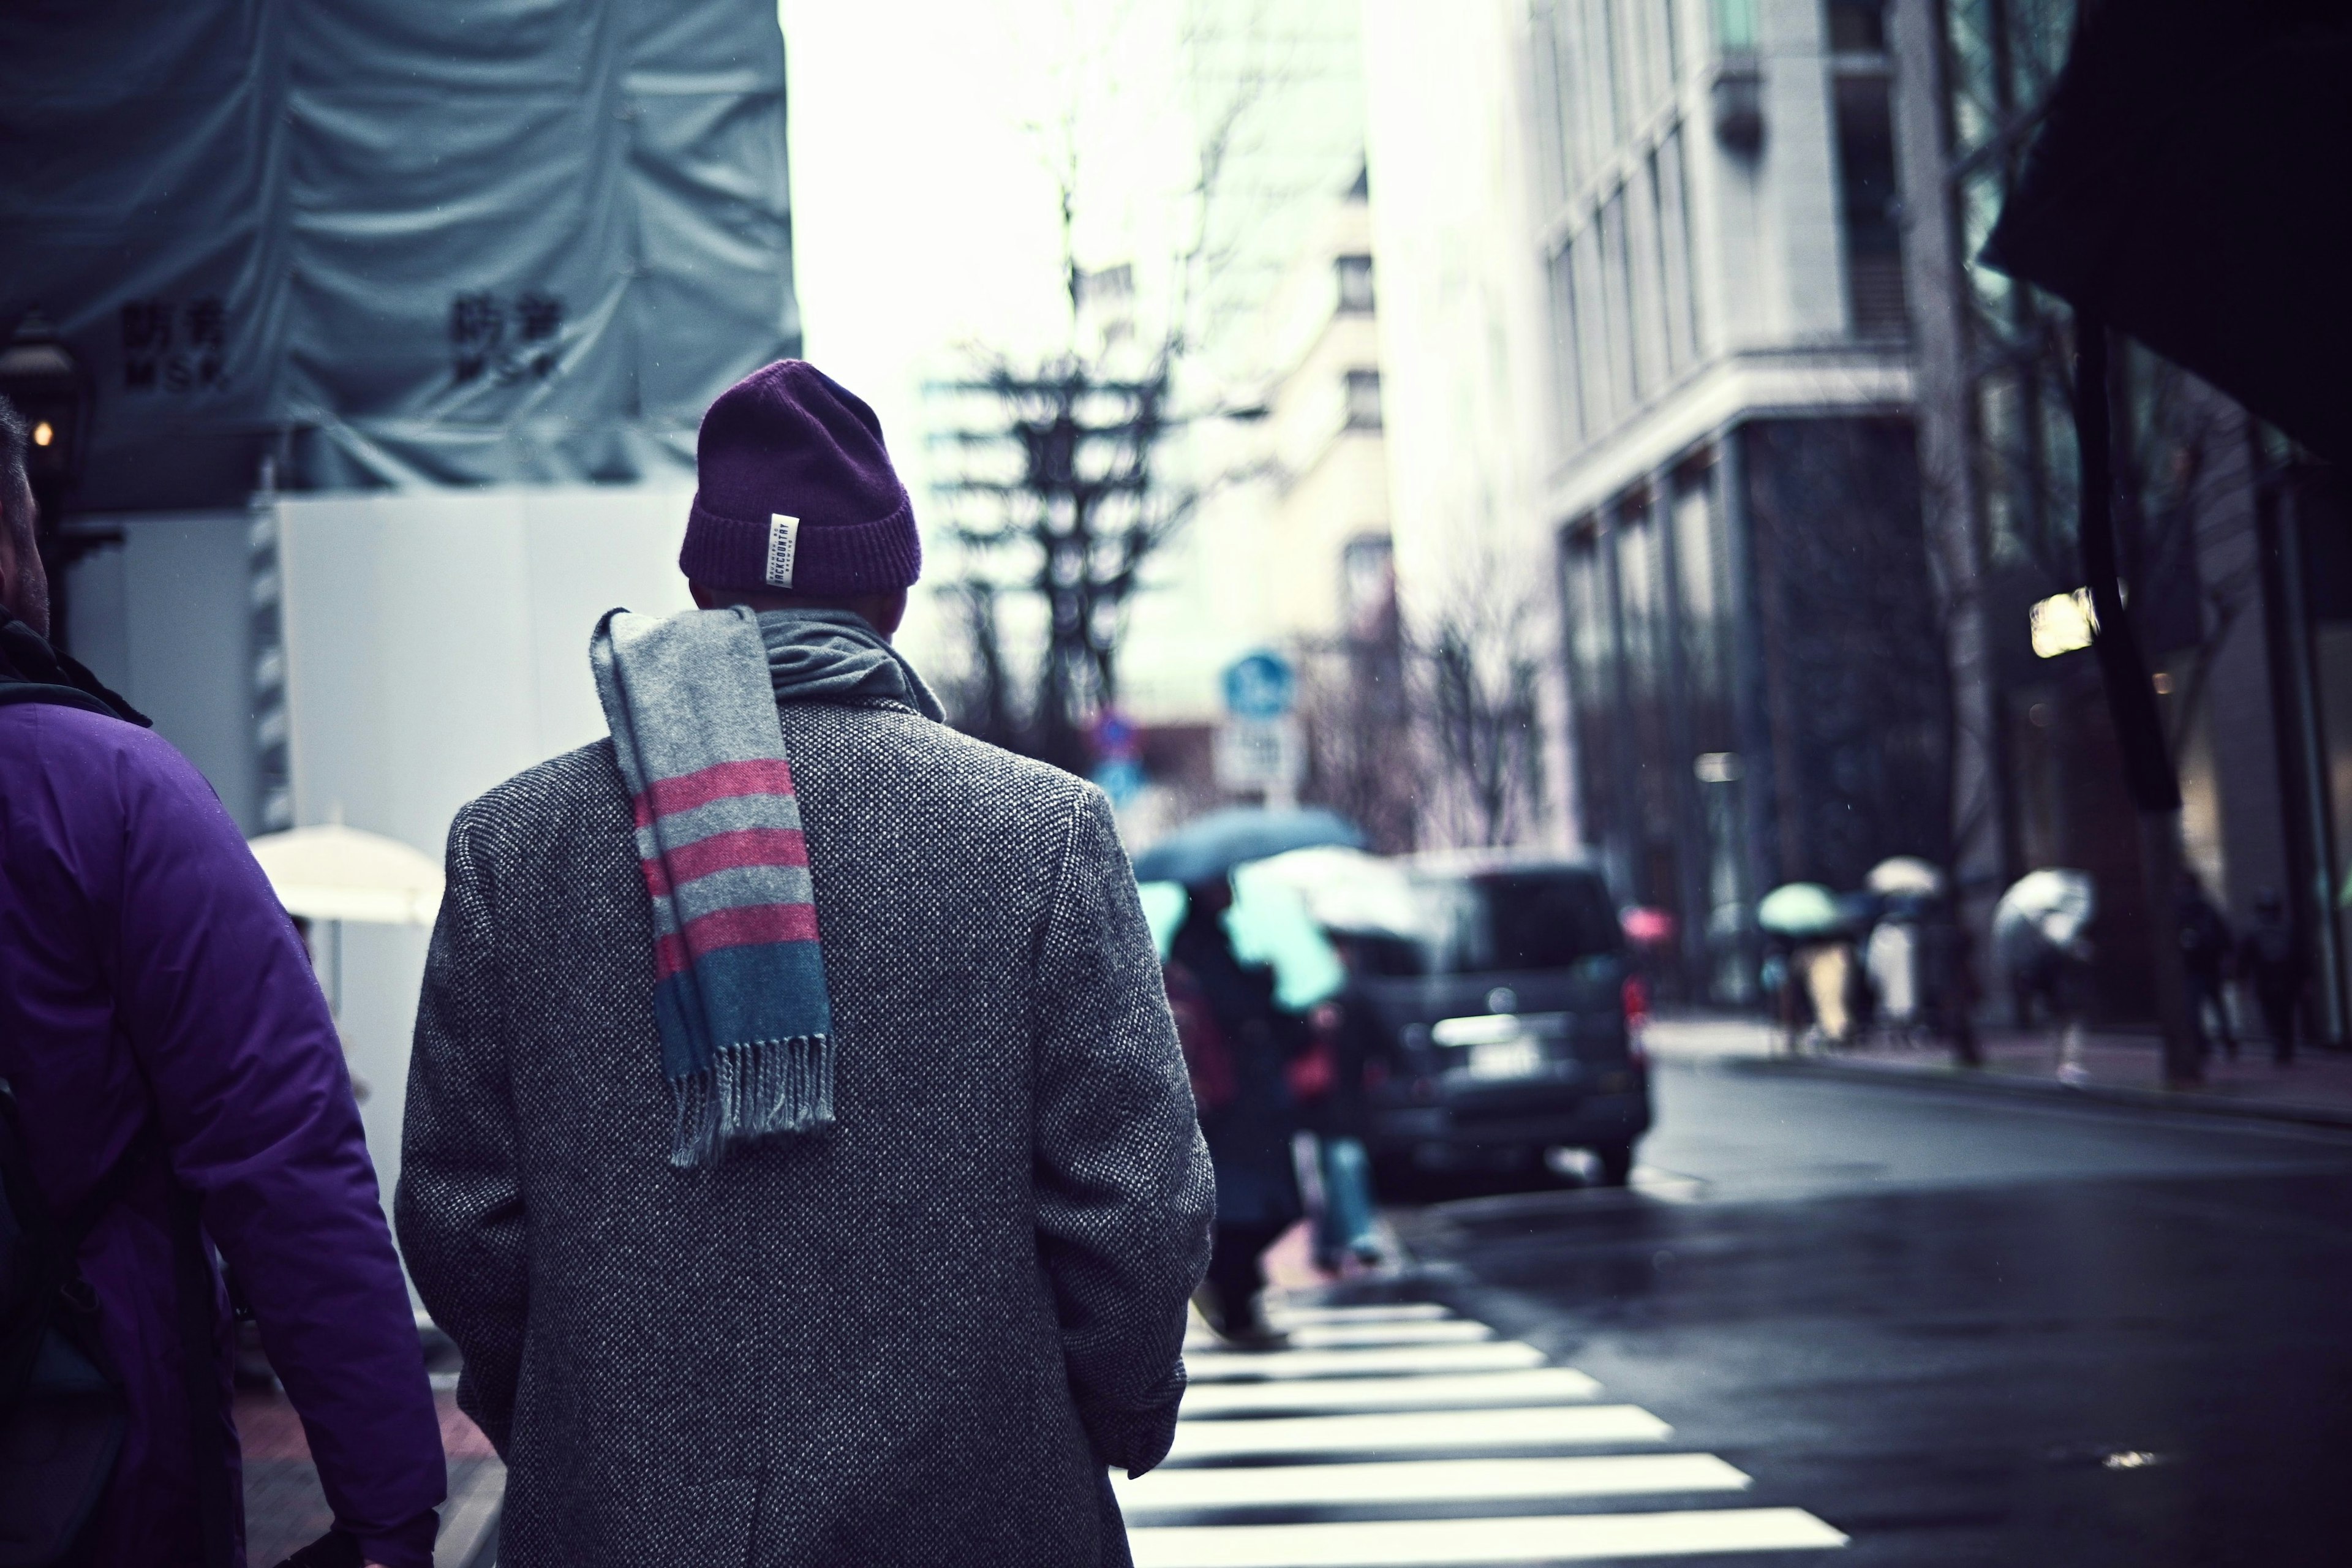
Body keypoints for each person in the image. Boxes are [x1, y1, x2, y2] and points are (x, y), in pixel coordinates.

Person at [396, 361, 1213, 1567]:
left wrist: (576, 1426)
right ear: (891, 591)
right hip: (981, 1513)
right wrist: (1117, 1409)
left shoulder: (513, 849)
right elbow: (1135, 1204)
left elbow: (461, 1216)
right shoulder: (1041, 836)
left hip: (622, 1524)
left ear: (697, 580)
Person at [0, 394, 445, 1566]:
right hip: (95, 1469)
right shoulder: (112, 792)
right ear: (8, 545)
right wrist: (387, 1514)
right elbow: (284, 1161)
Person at [1163, 876, 1302, 1345]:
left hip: (1239, 1099)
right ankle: (1232, 1298)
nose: (1233, 888)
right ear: (1202, 889)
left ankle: (1235, 1295)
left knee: (1260, 1203)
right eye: (1223, 882)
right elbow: (1230, 1009)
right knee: (1250, 1205)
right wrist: (1260, 984)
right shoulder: (1198, 943)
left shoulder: (1212, 939)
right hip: (1230, 1101)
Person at [2237, 889, 2307, 1065]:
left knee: (2274, 1015)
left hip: (2269, 979)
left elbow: (2245, 958)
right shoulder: (2287, 929)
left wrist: (2242, 978)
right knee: (2284, 1016)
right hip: (2283, 979)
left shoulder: (2256, 931)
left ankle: (2281, 1047)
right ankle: (2285, 1049)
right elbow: (2300, 956)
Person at [2178, 873, 2237, 1062]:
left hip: (2194, 968)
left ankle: (2204, 1046)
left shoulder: (2183, 910)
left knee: (2195, 1010)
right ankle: (2227, 1042)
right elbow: (2225, 936)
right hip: (2209, 966)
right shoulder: (2207, 908)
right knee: (2217, 1008)